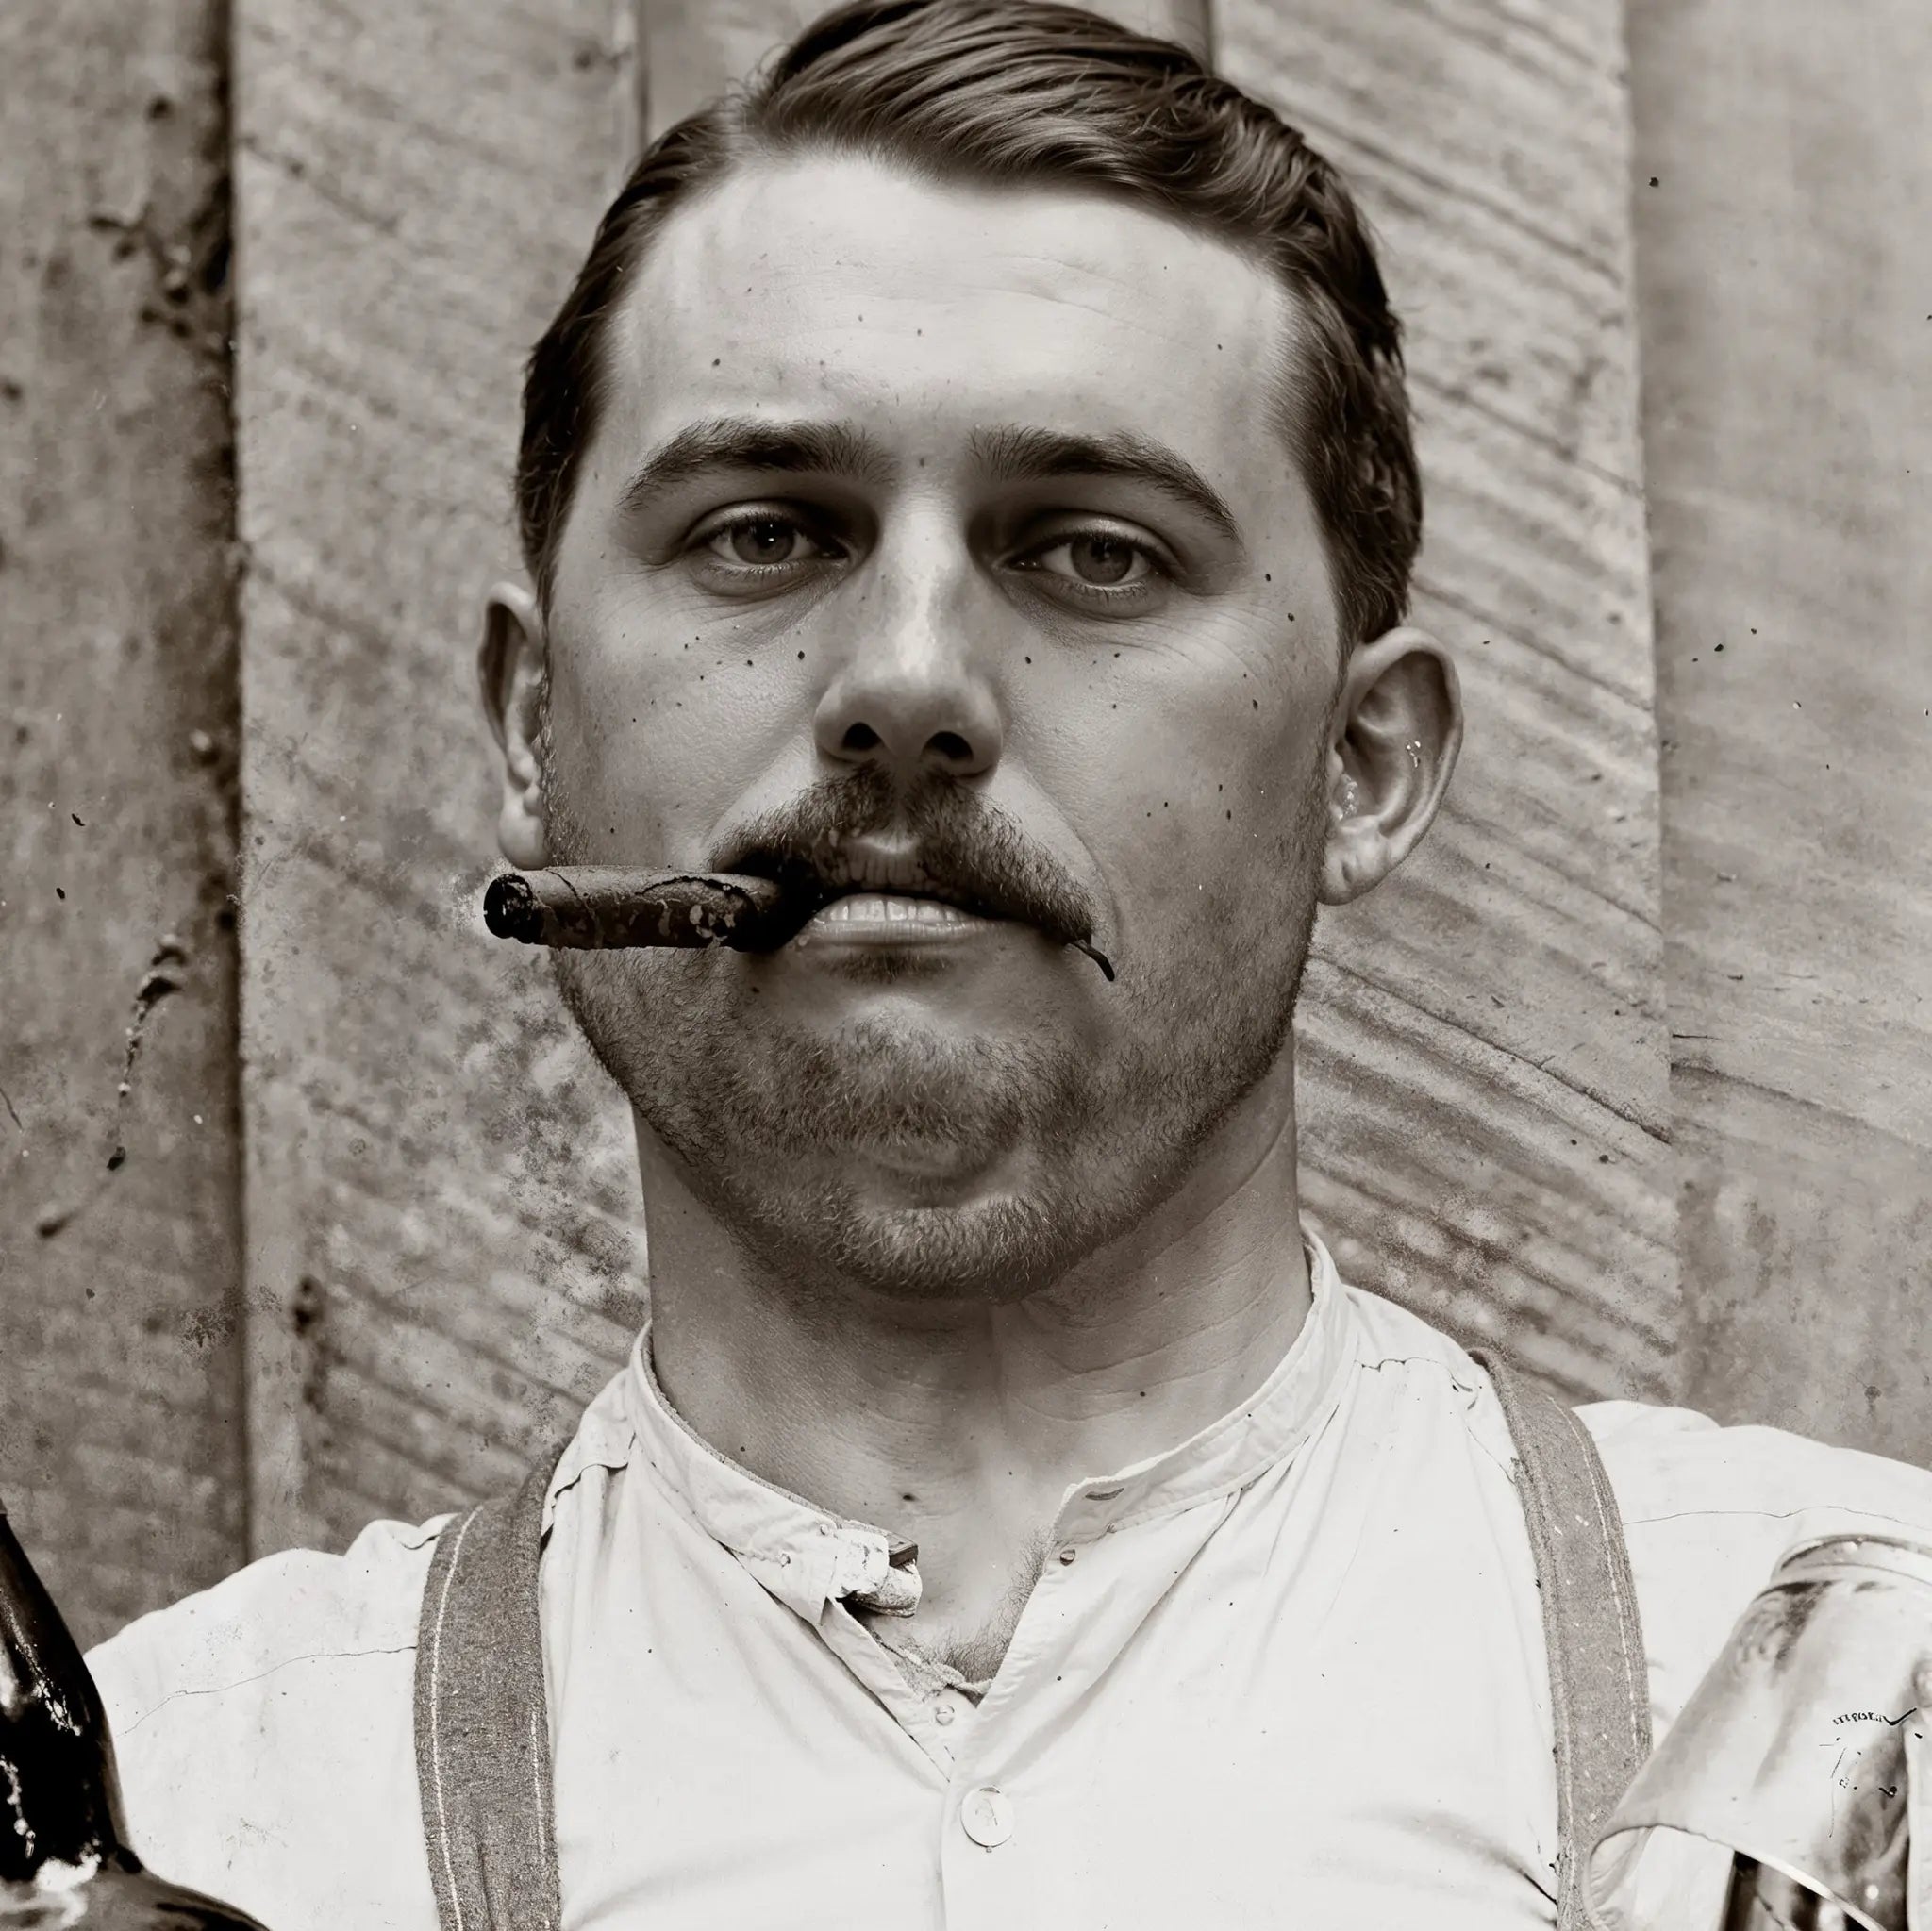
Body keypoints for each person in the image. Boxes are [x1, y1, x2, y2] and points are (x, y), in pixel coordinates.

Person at [86, 3, 1932, 1927]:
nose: (905, 681)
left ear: (1361, 769)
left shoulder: (1865, 1700)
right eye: (763, 533)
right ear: (533, 729)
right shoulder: (197, 1803)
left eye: (1094, 555)